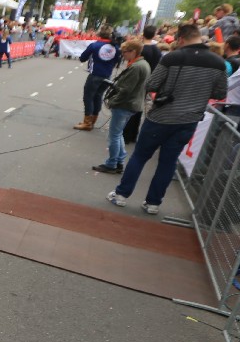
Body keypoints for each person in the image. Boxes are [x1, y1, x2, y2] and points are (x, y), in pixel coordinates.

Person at [107, 24, 228, 215]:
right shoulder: (218, 62)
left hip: (161, 116)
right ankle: (153, 203)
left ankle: (122, 194)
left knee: (140, 156)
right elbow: (220, 92)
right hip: (189, 119)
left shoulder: (173, 57)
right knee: (168, 162)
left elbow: (152, 84)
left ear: (181, 39)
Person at [92, 39, 150, 174]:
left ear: (133, 51)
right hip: (131, 104)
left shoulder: (136, 67)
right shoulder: (143, 64)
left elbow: (125, 90)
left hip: (125, 104)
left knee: (114, 135)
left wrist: (113, 101)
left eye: (125, 52)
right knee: (118, 134)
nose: (123, 55)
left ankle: (112, 163)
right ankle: (118, 161)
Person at [74, 26, 121, 131]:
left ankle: (87, 122)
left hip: (95, 74)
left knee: (88, 97)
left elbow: (82, 58)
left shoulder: (95, 45)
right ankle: (93, 120)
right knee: (98, 96)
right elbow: (118, 61)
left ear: (100, 33)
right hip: (107, 76)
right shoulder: (115, 47)